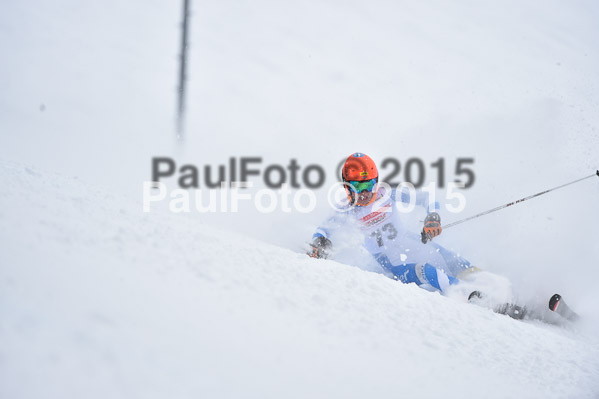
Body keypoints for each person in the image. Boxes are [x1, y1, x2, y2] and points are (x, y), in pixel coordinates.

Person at [308, 152, 474, 294]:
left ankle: (488, 286)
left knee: (451, 259)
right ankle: (472, 298)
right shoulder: (345, 209)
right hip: (393, 262)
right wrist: (320, 244)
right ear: (347, 187)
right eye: (359, 187)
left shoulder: (386, 194)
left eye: (369, 184)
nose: (365, 192)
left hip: (410, 241)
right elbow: (323, 230)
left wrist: (432, 217)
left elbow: (426, 198)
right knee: (426, 271)